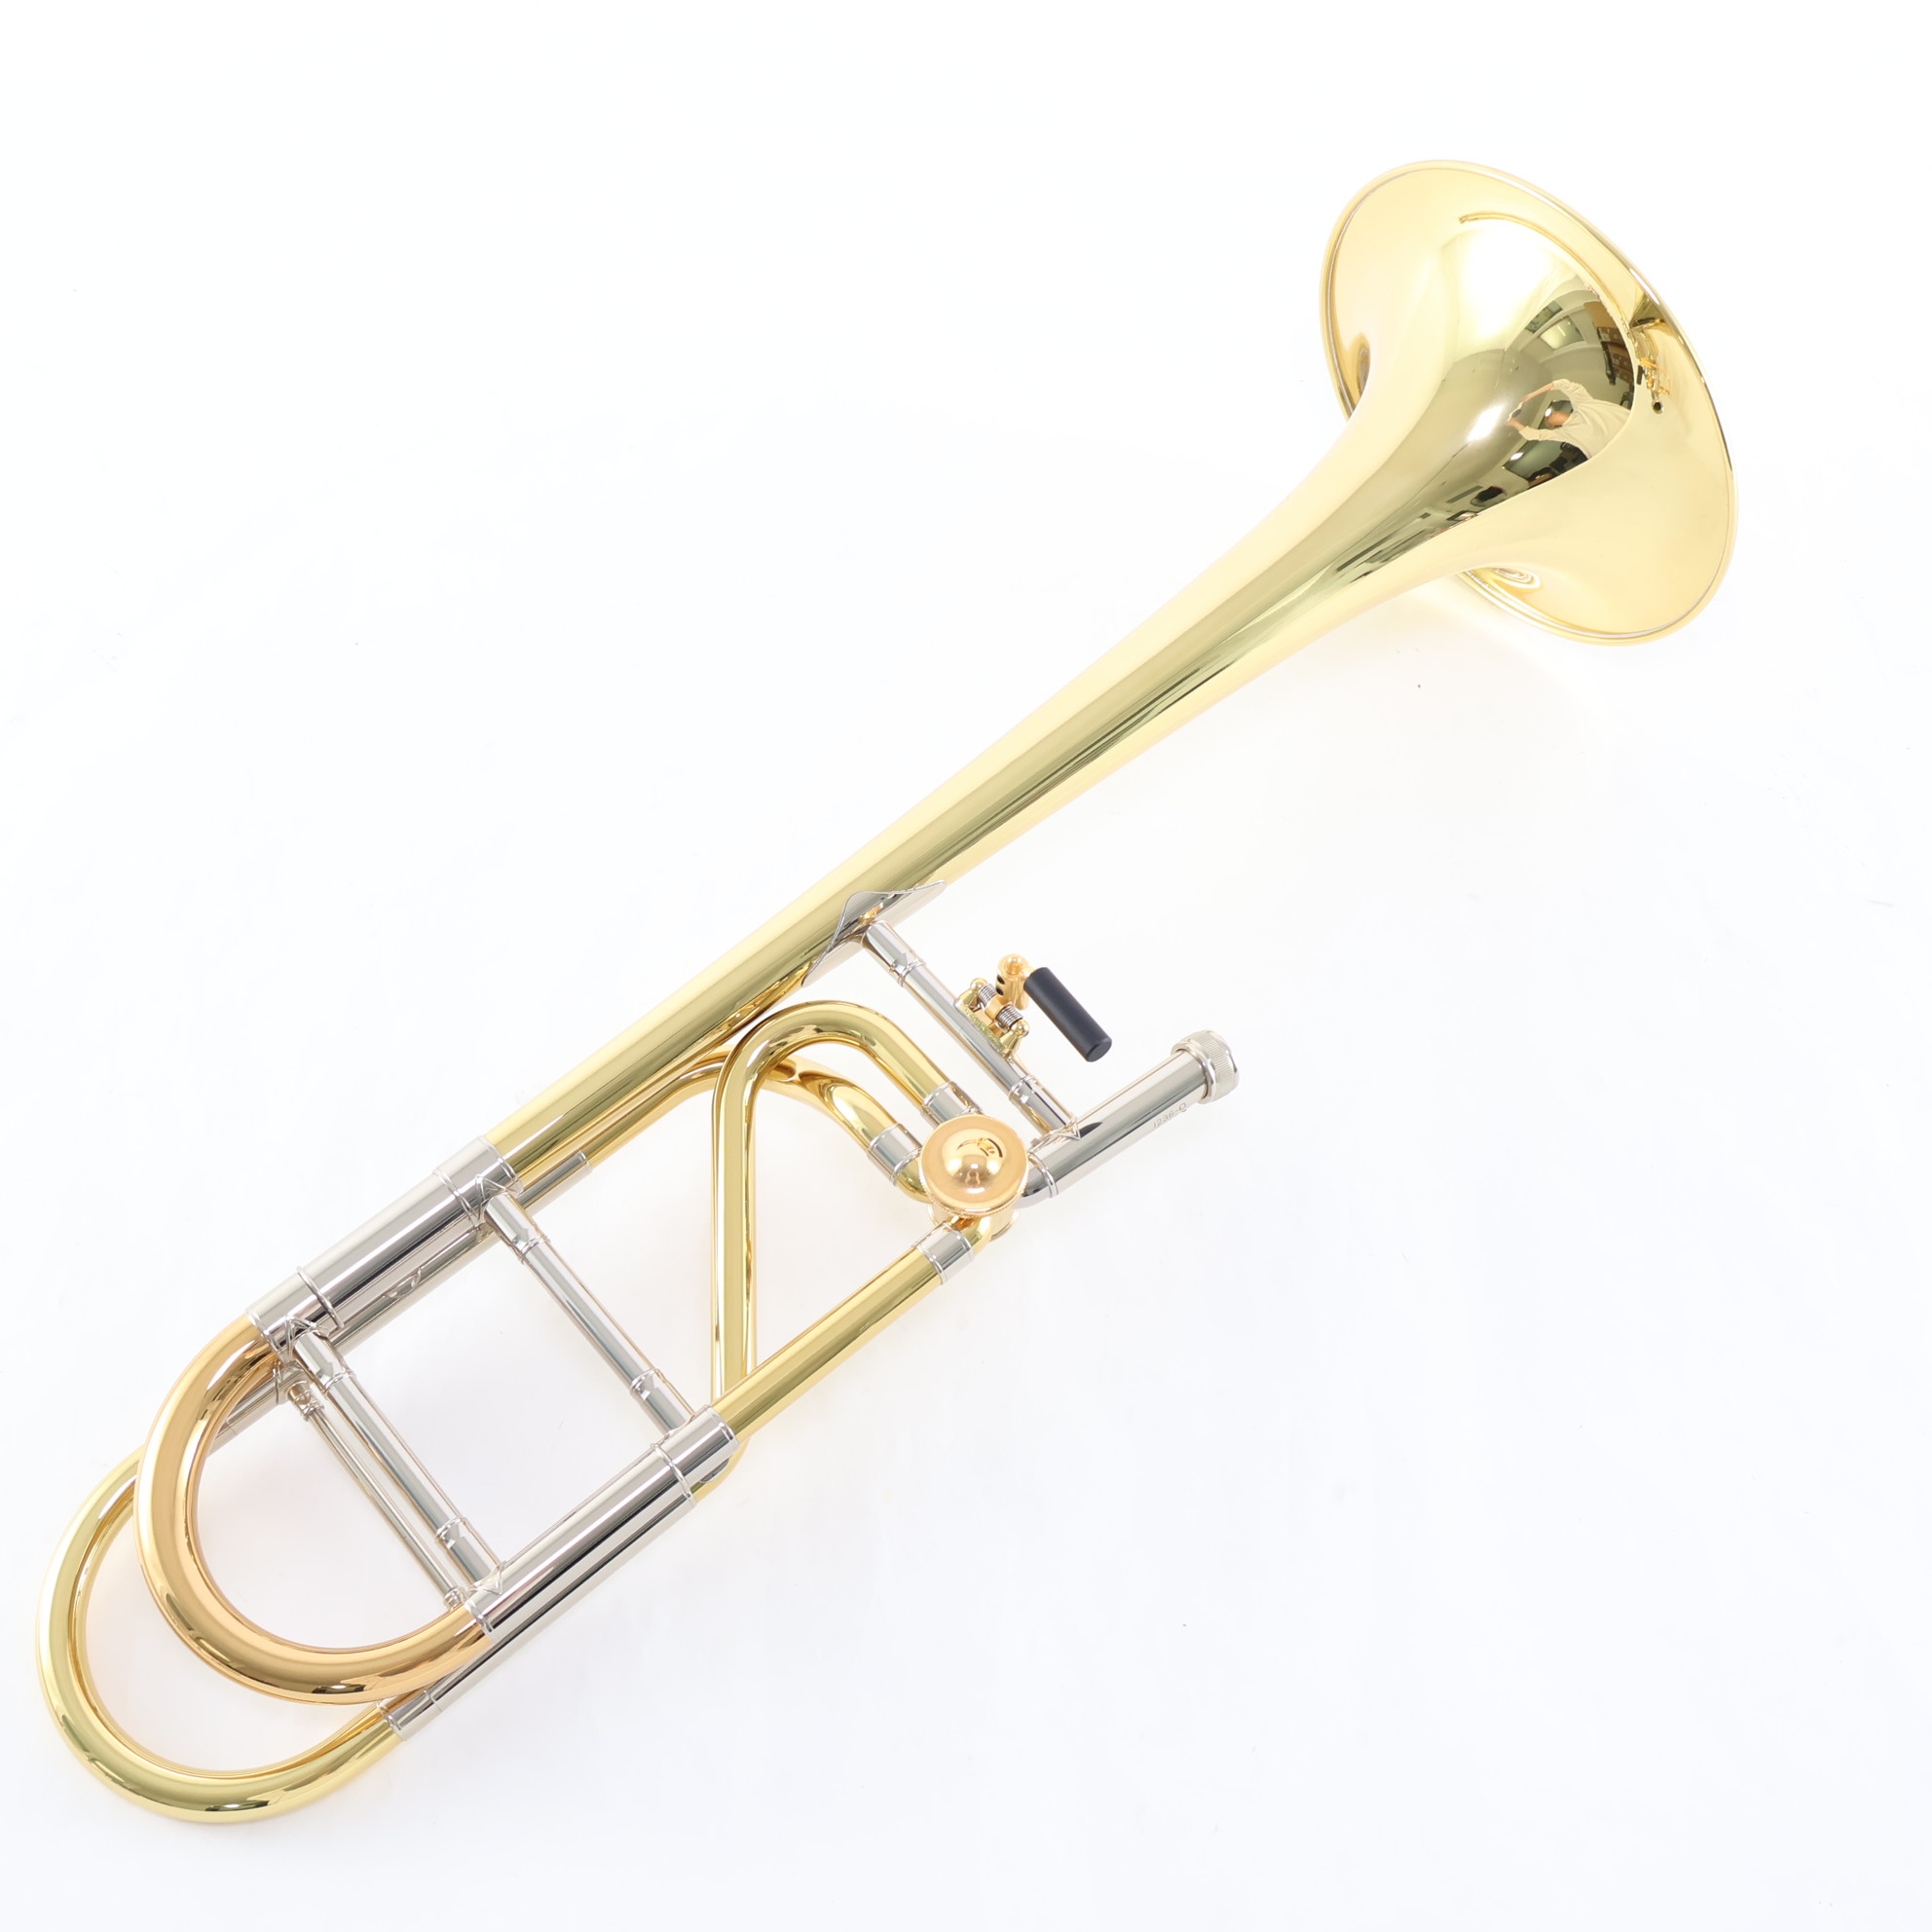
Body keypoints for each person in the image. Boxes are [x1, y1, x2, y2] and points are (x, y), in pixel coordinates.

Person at [1507, 378, 1628, 461]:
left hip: (1630, 427)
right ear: (1553, 426)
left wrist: (1532, 395)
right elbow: (1534, 435)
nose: (1550, 414)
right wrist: (1514, 423)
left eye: (1550, 413)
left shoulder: (1582, 404)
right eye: (1548, 418)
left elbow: (1564, 384)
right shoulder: (1565, 433)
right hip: (1618, 453)